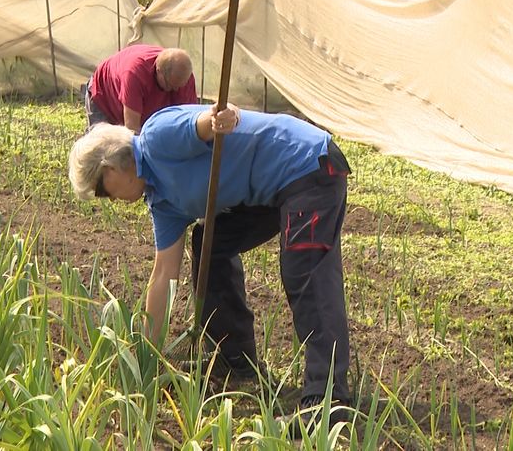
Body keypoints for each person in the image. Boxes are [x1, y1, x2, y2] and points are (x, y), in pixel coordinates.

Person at [67, 103, 352, 407]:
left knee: (305, 272)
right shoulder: (161, 201)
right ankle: (236, 362)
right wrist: (146, 356)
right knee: (210, 245)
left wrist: (217, 119)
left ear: (109, 168)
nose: (110, 199)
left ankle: (326, 400)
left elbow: (202, 123)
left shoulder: (156, 137)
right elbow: (164, 274)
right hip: (269, 191)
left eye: (103, 192)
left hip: (306, 166)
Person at [84, 44, 197, 132]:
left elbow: (189, 122)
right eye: (171, 86)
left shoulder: (183, 76)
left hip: (139, 104)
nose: (176, 90)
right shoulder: (135, 75)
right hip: (104, 98)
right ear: (159, 71)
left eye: (180, 86)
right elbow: (132, 130)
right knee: (103, 148)